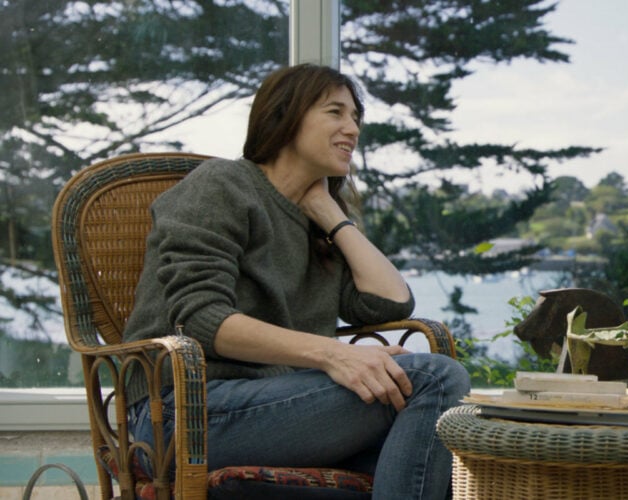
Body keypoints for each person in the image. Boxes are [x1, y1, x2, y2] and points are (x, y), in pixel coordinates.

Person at [123, 63, 471, 499]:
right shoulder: (222, 185)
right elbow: (201, 319)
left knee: (439, 454)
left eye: (356, 118)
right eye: (335, 112)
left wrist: (331, 215)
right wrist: (333, 356)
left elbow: (391, 303)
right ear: (286, 115)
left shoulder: (315, 225)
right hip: (182, 416)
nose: (353, 129)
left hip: (274, 413)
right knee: (435, 380)